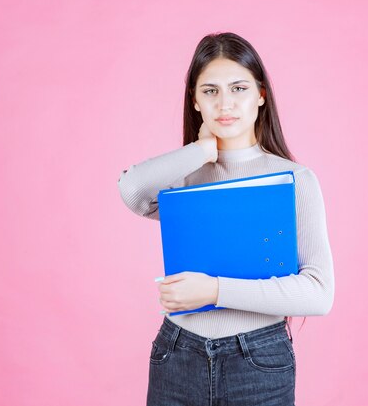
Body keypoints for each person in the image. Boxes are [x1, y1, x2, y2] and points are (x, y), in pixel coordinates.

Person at [117, 32, 334, 406]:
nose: (225, 104)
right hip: (178, 354)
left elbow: (319, 293)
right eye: (210, 91)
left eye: (238, 88)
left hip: (259, 361)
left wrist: (215, 291)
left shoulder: (294, 181)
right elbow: (132, 191)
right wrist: (201, 150)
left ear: (261, 95)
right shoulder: (183, 176)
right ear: (195, 101)